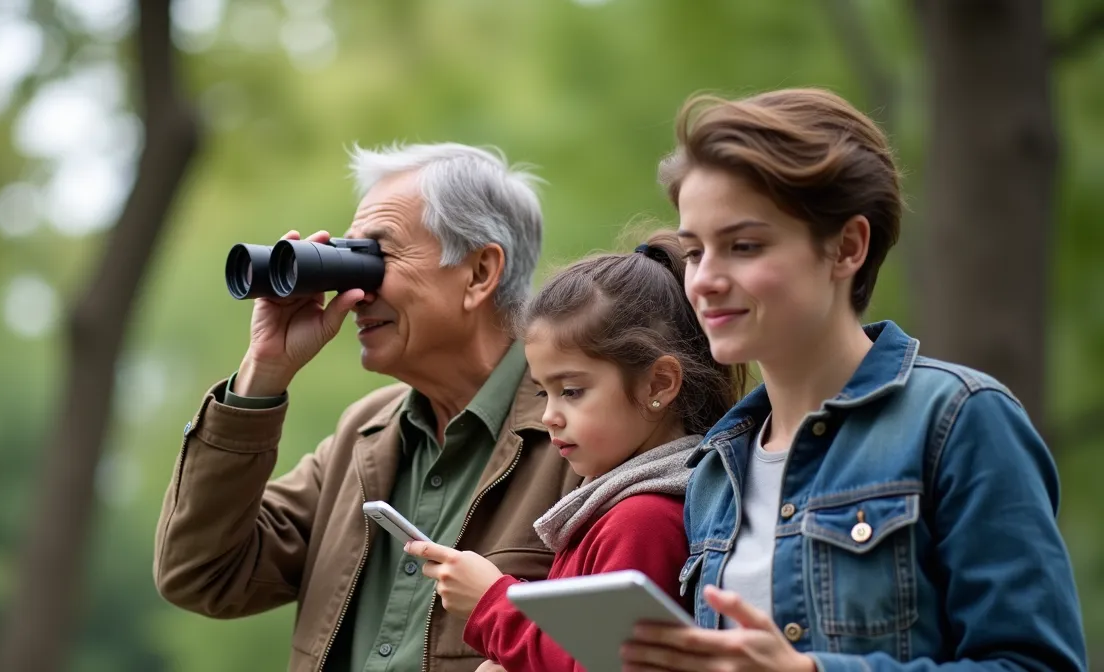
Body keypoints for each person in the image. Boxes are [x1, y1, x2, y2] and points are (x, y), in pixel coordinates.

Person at [618, 88, 1088, 672]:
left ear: (847, 247)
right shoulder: (713, 471)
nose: (706, 280)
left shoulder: (960, 419)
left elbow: (1036, 664)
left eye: (743, 246)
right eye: (694, 252)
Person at [153, 142, 584, 672]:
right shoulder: (368, 434)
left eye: (377, 256)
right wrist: (263, 373)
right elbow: (201, 574)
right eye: (347, 256)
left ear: (478, 273)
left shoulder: (580, 431)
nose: (352, 288)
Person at [403, 230, 745, 672]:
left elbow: (606, 665)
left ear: (658, 384)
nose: (549, 416)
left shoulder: (643, 520)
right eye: (543, 393)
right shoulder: (609, 506)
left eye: (571, 391)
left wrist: (493, 606)